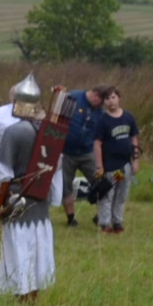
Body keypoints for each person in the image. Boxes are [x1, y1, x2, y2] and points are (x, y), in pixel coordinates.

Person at [0, 74, 56, 300]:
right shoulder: (51, 133)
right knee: (37, 254)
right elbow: (55, 172)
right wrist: (52, 198)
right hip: (40, 203)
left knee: (19, 253)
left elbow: (4, 175)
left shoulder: (14, 132)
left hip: (16, 202)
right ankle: (31, 299)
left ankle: (21, 302)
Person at [93, 86, 139, 233]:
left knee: (121, 194)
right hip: (110, 165)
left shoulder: (128, 117)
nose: (111, 101)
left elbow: (134, 138)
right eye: (107, 99)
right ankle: (104, 223)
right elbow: (97, 143)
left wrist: (136, 159)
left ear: (119, 98)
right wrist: (99, 166)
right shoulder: (102, 120)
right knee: (107, 194)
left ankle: (117, 222)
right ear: (104, 102)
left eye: (113, 97)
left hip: (125, 164)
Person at [56, 87, 100, 227]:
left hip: (87, 152)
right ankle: (71, 218)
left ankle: (101, 215)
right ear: (95, 95)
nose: (100, 105)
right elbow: (56, 117)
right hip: (66, 151)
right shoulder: (72, 98)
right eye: (100, 101)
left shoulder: (100, 110)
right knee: (66, 185)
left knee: (100, 182)